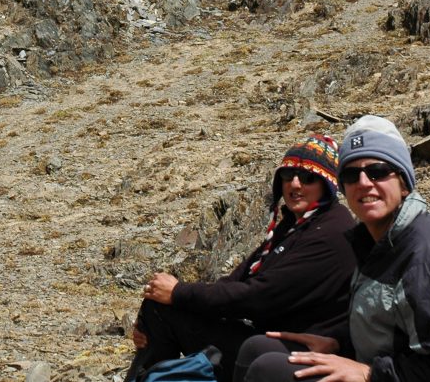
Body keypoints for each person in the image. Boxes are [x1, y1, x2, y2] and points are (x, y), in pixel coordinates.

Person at [236, 115, 430, 382]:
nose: (364, 183)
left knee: (269, 370)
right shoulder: (377, 242)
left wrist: (369, 373)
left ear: (403, 183)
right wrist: (339, 343)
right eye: (351, 175)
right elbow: (391, 326)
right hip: (391, 369)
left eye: (378, 171)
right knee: (258, 348)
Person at [124, 135, 355, 382]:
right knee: (159, 306)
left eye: (308, 178)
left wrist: (179, 292)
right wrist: (166, 305)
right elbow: (237, 280)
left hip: (291, 353)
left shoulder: (330, 233)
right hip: (266, 338)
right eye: (288, 176)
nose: (295, 185)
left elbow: (258, 297)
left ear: (327, 184)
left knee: (170, 305)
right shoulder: (296, 224)